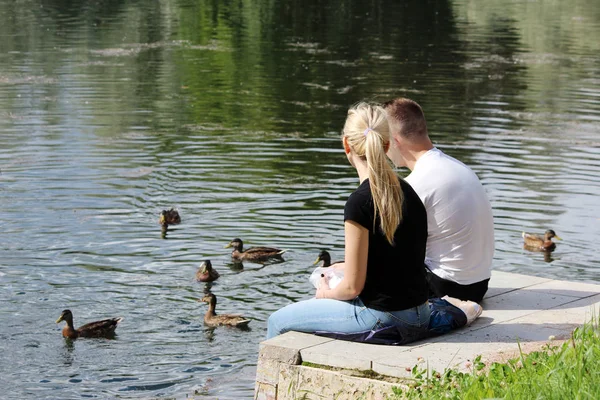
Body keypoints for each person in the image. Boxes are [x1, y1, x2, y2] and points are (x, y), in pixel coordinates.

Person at [267, 102, 432, 341]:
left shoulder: (359, 202)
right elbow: (398, 262)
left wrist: (326, 294)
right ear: (386, 145)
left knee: (277, 321)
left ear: (346, 144)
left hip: (384, 317)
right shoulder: (408, 191)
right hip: (421, 314)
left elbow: (352, 288)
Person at [384, 98, 494, 303]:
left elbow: (395, 251)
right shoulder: (459, 167)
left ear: (395, 141)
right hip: (479, 285)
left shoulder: (416, 183)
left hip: (446, 289)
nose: (385, 150)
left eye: (384, 142)